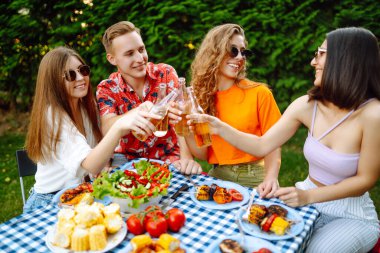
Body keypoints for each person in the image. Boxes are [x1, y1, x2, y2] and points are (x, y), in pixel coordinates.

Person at [189, 27, 380, 252]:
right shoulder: (307, 105)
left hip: (351, 215)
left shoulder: (373, 114)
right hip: (306, 200)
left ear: (345, 59)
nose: (313, 61)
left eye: (320, 53)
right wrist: (218, 126)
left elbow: (365, 181)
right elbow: (262, 145)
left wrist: (308, 196)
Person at [24, 46, 161, 213]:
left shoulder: (85, 107)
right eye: (70, 75)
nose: (81, 78)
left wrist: (105, 166)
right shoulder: (53, 116)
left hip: (80, 194)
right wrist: (118, 127)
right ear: (54, 82)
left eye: (83, 70)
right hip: (48, 203)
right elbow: (90, 165)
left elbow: (98, 152)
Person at [183, 24, 281, 196]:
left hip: (255, 175)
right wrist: (186, 128)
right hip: (218, 174)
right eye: (232, 50)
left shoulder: (259, 93)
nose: (240, 57)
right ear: (214, 52)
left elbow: (274, 144)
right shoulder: (201, 98)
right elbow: (204, 154)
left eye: (243, 52)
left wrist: (271, 177)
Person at [96, 21, 201, 174]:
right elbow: (107, 127)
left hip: (169, 155)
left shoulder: (165, 73)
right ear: (112, 59)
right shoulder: (107, 88)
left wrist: (186, 157)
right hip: (126, 159)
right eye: (129, 53)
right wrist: (137, 112)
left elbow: (180, 119)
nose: (140, 58)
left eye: (141, 49)